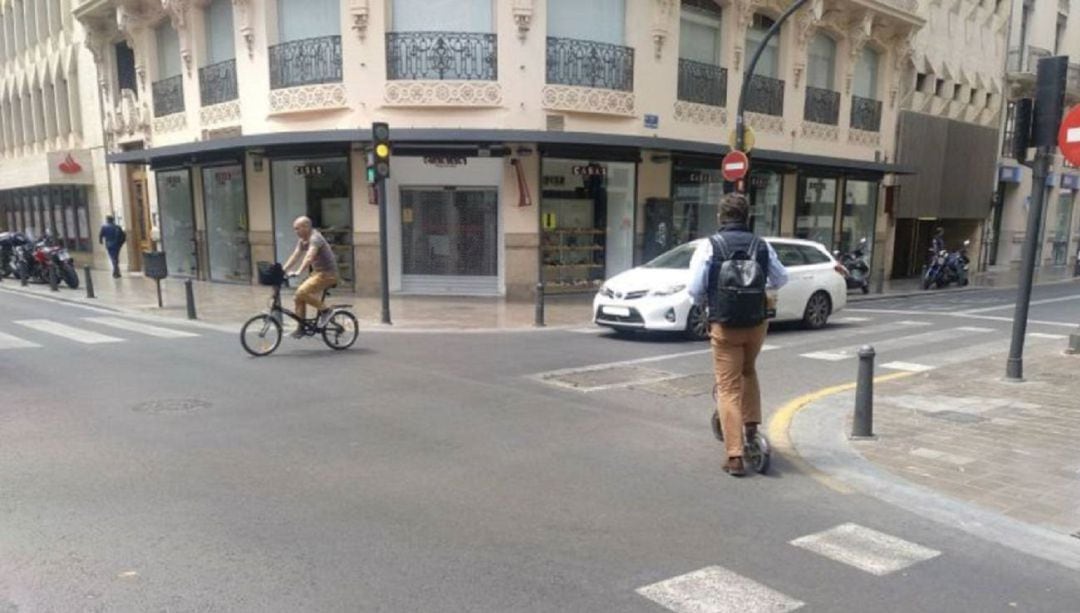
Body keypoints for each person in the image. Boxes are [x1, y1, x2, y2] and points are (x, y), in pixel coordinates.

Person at [688, 193, 788, 477]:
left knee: (728, 388)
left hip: (724, 324)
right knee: (749, 371)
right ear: (747, 217)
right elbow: (781, 279)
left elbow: (694, 289)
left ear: (721, 217)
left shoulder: (710, 246)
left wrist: (708, 301)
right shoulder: (762, 244)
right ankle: (752, 428)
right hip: (756, 324)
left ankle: (734, 456)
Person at [282, 216, 338, 338]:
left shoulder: (315, 238)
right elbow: (295, 255)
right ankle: (300, 328)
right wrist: (283, 270)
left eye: (297, 229)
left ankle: (326, 311)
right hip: (318, 273)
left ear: (306, 227)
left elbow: (309, 256)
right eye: (294, 229)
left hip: (328, 274)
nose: (296, 231)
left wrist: (298, 271)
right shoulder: (303, 240)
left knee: (302, 292)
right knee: (298, 297)